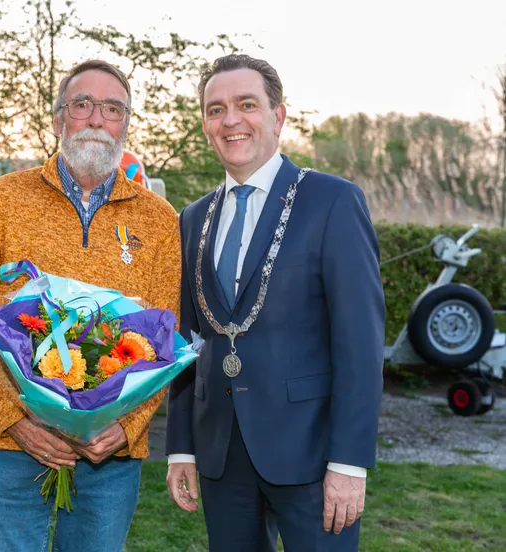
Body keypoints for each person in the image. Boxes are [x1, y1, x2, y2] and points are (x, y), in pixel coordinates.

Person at [0, 59, 181, 552]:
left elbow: (166, 339)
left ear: (126, 125)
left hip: (109, 456)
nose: (97, 118)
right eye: (82, 105)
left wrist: (127, 426)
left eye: (112, 108)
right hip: (8, 448)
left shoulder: (159, 220)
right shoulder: (1, 200)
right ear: (57, 120)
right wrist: (16, 421)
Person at [165, 54, 385, 551]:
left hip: (312, 456)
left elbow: (360, 344)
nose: (231, 120)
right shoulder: (193, 219)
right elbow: (185, 344)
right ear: (205, 123)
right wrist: (181, 448)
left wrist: (349, 463)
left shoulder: (332, 202)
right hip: (220, 455)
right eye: (215, 109)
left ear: (278, 115)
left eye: (247, 104)